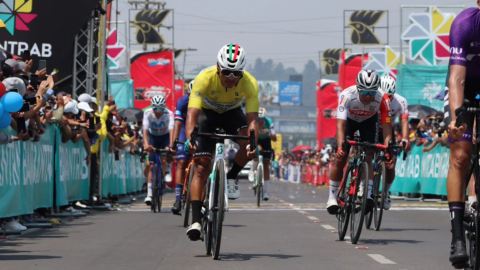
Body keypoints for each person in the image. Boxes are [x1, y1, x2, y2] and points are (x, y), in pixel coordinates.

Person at [184, 43, 259, 240]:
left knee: (248, 143)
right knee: (201, 166)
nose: (231, 78)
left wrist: (253, 144)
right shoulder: (204, 78)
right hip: (207, 115)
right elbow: (192, 114)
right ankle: (196, 221)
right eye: (226, 72)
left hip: (232, 114)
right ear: (218, 66)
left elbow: (252, 120)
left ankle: (232, 176)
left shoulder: (250, 83)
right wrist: (190, 139)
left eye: (236, 74)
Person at [442, 3, 480, 266]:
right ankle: (457, 237)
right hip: (464, 89)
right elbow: (457, 79)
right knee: (460, 154)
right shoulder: (465, 23)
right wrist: (457, 119)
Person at [327, 69, 393, 215]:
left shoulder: (384, 99)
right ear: (358, 88)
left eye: (372, 92)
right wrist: (340, 147)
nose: (368, 96)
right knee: (342, 156)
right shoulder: (346, 95)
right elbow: (340, 125)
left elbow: (387, 128)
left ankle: (367, 194)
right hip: (349, 122)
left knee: (369, 154)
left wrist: (388, 150)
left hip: (369, 122)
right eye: (364, 92)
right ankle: (332, 197)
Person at [377, 75, 411, 209]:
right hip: (373, 128)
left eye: (390, 96)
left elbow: (404, 121)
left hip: (388, 130)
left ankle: (385, 193)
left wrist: (405, 140)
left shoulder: (401, 101)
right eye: (384, 95)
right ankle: (364, 187)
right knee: (367, 154)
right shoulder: (374, 99)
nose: (387, 99)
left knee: (391, 162)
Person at [142, 95, 174, 205]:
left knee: (164, 159)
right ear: (152, 108)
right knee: (151, 165)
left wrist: (170, 145)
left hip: (165, 137)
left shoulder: (169, 114)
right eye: (155, 108)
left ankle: (165, 173)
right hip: (153, 137)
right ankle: (149, 194)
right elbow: (145, 131)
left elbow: (171, 130)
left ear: (164, 108)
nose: (158, 111)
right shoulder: (147, 113)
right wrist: (146, 145)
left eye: (160, 108)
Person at [170, 80, 193, 215]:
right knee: (182, 162)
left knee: (203, 159)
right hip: (185, 128)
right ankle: (178, 199)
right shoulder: (182, 102)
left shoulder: (206, 101)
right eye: (190, 95)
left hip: (199, 127)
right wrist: (174, 143)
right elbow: (178, 124)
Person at [249, 107, 277, 200]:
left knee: (266, 166)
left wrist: (269, 134)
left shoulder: (269, 122)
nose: (260, 121)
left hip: (266, 142)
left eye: (262, 119)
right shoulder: (254, 121)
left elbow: (275, 139)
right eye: (259, 119)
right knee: (257, 150)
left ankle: (266, 192)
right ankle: (252, 171)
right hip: (256, 140)